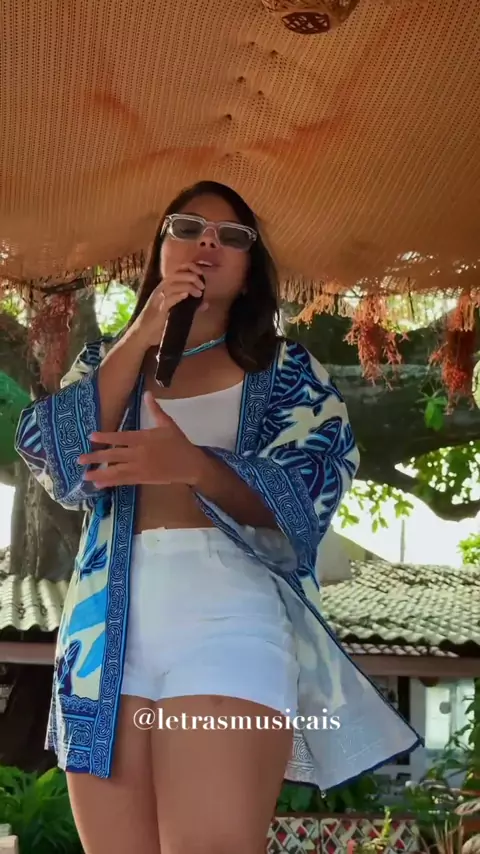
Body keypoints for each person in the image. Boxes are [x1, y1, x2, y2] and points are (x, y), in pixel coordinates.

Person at [15, 181, 421, 854]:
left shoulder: (287, 370)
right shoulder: (103, 362)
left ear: (250, 271)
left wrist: (194, 466)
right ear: (160, 250)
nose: (207, 242)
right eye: (187, 227)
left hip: (230, 621)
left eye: (232, 237)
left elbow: (313, 488)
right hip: (103, 636)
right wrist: (142, 333)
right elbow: (52, 459)